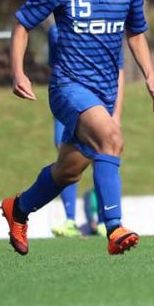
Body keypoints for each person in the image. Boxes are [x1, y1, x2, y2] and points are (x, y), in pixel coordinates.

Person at [1, 0, 154, 255]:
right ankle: (115, 229)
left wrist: (149, 77)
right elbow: (22, 25)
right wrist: (18, 72)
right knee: (112, 138)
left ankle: (19, 208)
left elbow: (135, 33)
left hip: (103, 92)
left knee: (68, 171)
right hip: (67, 87)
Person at [48, 24, 112, 239]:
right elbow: (54, 68)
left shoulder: (96, 24)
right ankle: (70, 220)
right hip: (66, 100)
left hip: (95, 99)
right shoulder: (55, 31)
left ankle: (105, 221)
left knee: (99, 155)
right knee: (65, 157)